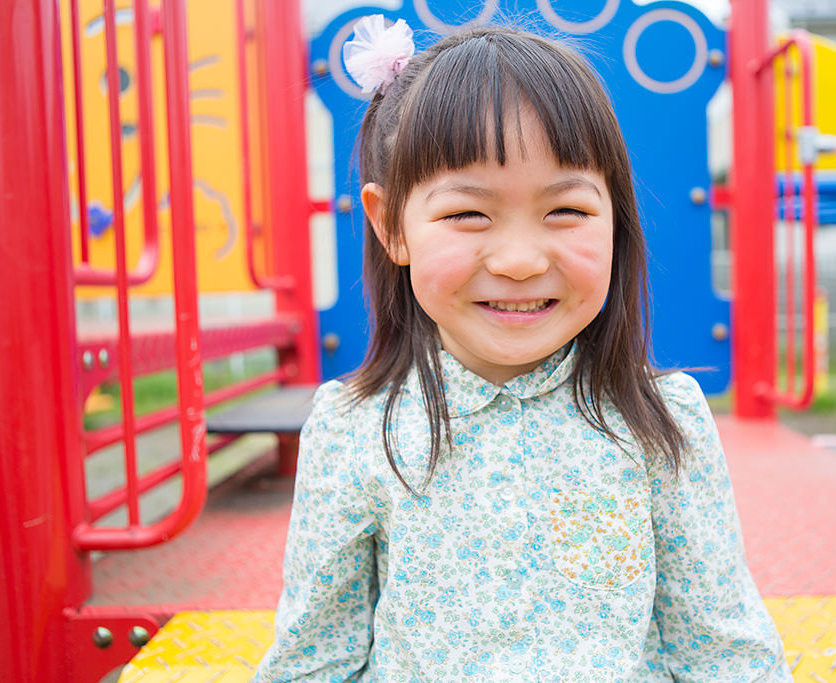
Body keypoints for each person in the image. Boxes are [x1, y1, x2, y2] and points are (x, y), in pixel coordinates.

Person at [254, 15, 792, 682]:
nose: (517, 259)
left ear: (616, 221)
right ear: (391, 225)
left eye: (564, 211)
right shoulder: (354, 426)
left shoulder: (661, 419)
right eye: (467, 214)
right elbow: (313, 657)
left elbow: (722, 648)